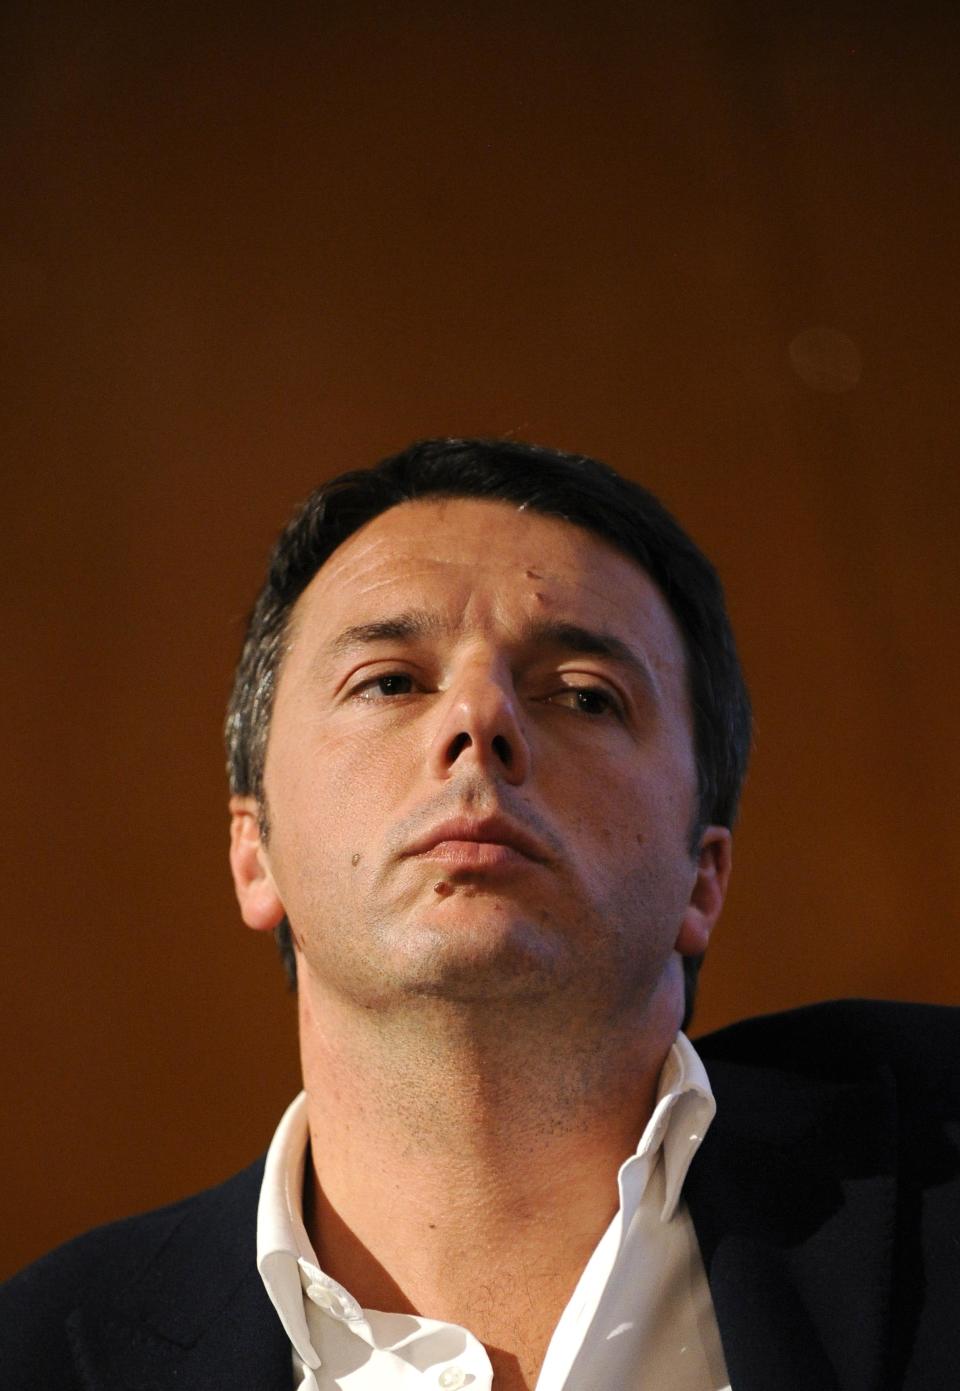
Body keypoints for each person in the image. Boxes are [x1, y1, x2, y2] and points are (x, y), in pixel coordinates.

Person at [3, 438, 958, 1390]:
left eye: (584, 696)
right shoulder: (39, 1354)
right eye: (389, 680)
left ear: (701, 878)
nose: (479, 719)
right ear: (255, 852)